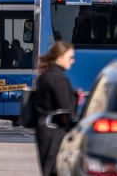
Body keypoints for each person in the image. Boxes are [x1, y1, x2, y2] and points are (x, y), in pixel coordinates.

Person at [34, 41, 76, 176]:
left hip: (45, 129)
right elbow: (65, 108)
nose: (73, 61)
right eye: (70, 57)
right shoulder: (57, 78)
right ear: (59, 57)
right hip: (55, 131)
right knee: (54, 169)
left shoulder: (46, 75)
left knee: (48, 169)